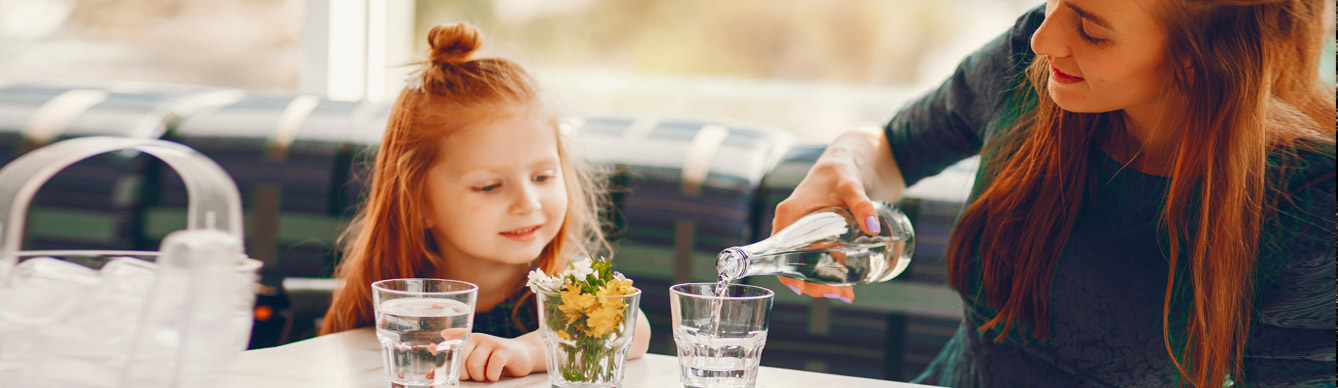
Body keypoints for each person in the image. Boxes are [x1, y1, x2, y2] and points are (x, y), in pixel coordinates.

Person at [772, 0, 1335, 387]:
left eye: (1092, 29)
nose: (1046, 37)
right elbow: (892, 149)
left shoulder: (1310, 200)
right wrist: (841, 163)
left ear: (1200, 57)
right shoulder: (1030, 62)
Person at [318, 22, 652, 382]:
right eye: (490, 186)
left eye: (543, 177)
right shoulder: (396, 303)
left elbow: (633, 327)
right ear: (419, 203)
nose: (528, 203)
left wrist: (527, 350)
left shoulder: (562, 288)